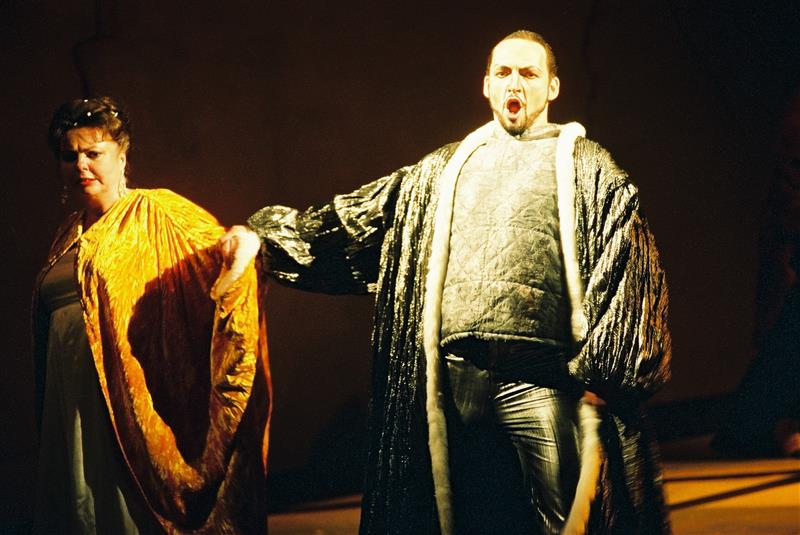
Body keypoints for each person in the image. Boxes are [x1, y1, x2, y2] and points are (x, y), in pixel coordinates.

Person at [223, 30, 671, 535]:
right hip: (459, 383)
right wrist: (268, 238)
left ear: (552, 87)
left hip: (542, 380)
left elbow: (626, 263)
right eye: (503, 72)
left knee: (566, 518)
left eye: (528, 73)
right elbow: (361, 219)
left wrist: (610, 372)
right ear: (486, 85)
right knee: (466, 517)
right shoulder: (441, 172)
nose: (514, 83)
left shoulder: (588, 169)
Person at [32, 96, 271, 534]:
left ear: (122, 157)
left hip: (124, 404)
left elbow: (216, 254)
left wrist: (241, 249)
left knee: (122, 505)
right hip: (69, 397)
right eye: (69, 156)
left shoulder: (156, 212)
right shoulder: (68, 233)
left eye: (93, 153)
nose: (81, 165)